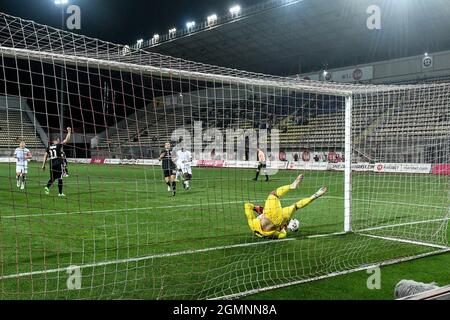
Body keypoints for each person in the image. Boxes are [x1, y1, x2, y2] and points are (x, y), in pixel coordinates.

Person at [244, 174, 327, 239]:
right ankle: (292, 186)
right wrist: (255, 208)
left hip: (279, 222)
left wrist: (283, 227)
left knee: (296, 206)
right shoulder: (252, 225)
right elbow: (247, 206)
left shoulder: (270, 235)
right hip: (270, 214)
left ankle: (315, 195)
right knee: (273, 194)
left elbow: (283, 235)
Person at [42, 128, 72, 197]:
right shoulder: (58, 145)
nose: (59, 141)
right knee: (60, 178)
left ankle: (47, 187)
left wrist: (43, 165)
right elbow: (66, 140)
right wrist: (69, 132)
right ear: (56, 140)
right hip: (58, 162)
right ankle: (60, 193)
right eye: (58, 140)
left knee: (53, 178)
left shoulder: (49, 147)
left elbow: (45, 156)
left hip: (51, 163)